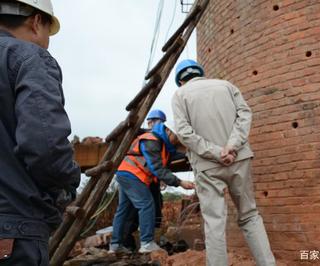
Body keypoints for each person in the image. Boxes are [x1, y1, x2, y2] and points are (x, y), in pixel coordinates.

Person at [172, 59, 276, 266]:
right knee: (249, 215)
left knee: (214, 223)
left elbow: (184, 133)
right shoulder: (226, 86)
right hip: (239, 159)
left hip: (208, 166)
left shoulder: (180, 95)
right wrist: (232, 146)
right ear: (200, 73)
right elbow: (245, 115)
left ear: (181, 80)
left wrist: (216, 152)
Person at [0, 1, 80, 265]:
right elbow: (45, 146)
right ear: (36, 22)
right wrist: (67, 187)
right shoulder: (26, 57)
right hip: (13, 229)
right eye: (48, 32)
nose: (47, 43)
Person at [110, 122, 194, 254]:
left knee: (123, 210)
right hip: (133, 174)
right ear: (168, 131)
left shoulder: (162, 145)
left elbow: (175, 155)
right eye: (176, 137)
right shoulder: (151, 140)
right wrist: (179, 182)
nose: (176, 141)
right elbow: (157, 168)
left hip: (125, 173)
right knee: (146, 204)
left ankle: (115, 245)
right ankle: (146, 243)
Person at [119, 109, 168, 252]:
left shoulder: (159, 138)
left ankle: (148, 241)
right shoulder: (144, 135)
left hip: (148, 179)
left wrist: (161, 178)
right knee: (135, 209)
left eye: (161, 123)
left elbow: (160, 161)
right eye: (157, 122)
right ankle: (135, 243)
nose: (160, 125)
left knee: (154, 206)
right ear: (150, 122)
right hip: (136, 177)